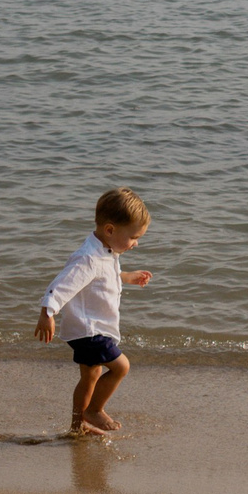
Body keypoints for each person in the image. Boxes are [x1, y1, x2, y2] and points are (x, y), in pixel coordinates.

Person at [34, 187, 154, 436]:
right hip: (90, 330)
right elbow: (63, 284)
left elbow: (104, 277)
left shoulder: (105, 251)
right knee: (121, 367)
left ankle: (77, 427)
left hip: (90, 328)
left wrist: (127, 277)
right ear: (110, 230)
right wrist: (47, 313)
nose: (136, 243)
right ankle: (94, 410)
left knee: (90, 377)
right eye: (133, 237)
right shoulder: (88, 258)